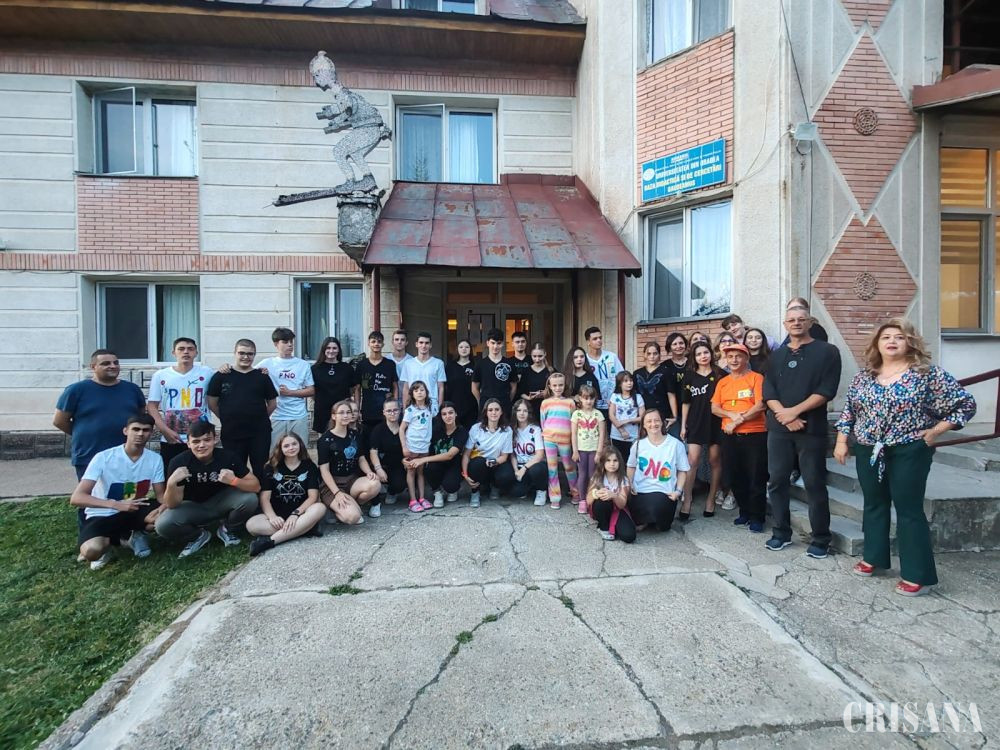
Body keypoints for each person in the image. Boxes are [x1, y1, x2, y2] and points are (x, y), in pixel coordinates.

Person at [834, 318, 975, 596]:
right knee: (874, 503)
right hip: (868, 449)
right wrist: (841, 441)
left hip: (909, 449)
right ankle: (874, 557)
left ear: (910, 342)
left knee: (908, 508)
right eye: (886, 337)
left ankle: (918, 574)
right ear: (877, 343)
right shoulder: (864, 376)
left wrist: (936, 431)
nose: (892, 341)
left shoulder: (927, 374)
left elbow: (965, 404)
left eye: (899, 337)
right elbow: (849, 410)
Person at [764, 307, 842, 558]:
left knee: (814, 484)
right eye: (791, 320)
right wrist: (784, 416)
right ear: (785, 324)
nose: (796, 323)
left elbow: (827, 390)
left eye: (801, 319)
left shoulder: (828, 352)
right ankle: (780, 533)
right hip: (779, 430)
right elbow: (768, 391)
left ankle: (820, 538)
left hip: (811, 430)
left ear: (809, 322)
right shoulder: (776, 356)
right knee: (777, 482)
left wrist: (794, 412)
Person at [70, 413, 165, 570]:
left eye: (146, 430)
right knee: (91, 551)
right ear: (125, 431)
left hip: (135, 508)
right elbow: (77, 498)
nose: (140, 434)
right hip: (103, 513)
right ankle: (110, 545)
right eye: (136, 429)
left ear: (151, 433)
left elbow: (161, 496)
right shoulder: (104, 457)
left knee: (165, 517)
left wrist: (164, 508)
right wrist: (117, 505)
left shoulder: (155, 459)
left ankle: (135, 535)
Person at [156, 421, 260, 558]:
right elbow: (172, 504)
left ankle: (227, 529)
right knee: (163, 524)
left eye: (207, 440)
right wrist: (171, 484)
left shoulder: (228, 457)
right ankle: (198, 536)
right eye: (196, 441)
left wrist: (234, 481)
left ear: (215, 440)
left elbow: (256, 486)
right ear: (188, 443)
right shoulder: (179, 462)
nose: (202, 445)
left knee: (250, 499)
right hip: (192, 506)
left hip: (222, 501)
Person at [54, 349, 146, 482]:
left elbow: (140, 417)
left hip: (125, 454)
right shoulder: (76, 390)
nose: (113, 366)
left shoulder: (132, 389)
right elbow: (59, 421)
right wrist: (84, 433)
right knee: (91, 493)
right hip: (89, 454)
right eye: (106, 363)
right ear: (93, 367)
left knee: (126, 492)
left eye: (116, 363)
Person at [711, 343, 768, 533]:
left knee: (756, 476)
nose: (734, 360)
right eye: (730, 357)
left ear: (746, 358)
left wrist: (737, 420)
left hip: (754, 434)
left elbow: (760, 405)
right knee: (735, 475)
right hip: (729, 436)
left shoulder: (756, 378)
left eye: (738, 356)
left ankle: (757, 517)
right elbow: (714, 408)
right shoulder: (723, 382)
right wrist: (730, 414)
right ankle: (744, 512)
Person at [207, 339, 278, 482]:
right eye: (242, 353)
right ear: (235, 353)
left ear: (254, 355)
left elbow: (272, 404)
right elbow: (212, 403)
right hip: (232, 433)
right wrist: (227, 418)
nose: (246, 357)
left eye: (250, 354)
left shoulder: (262, 377)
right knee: (235, 470)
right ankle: (239, 496)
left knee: (261, 469)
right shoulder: (221, 376)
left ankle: (262, 495)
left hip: (259, 433)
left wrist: (259, 418)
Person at [247, 432, 325, 557]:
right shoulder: (271, 467)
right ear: (280, 449)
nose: (291, 448)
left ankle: (270, 541)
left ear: (300, 445)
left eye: (294, 444)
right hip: (279, 517)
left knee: (320, 508)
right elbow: (265, 498)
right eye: (286, 446)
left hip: (301, 514)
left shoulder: (309, 466)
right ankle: (305, 529)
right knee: (251, 525)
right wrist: (272, 517)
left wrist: (295, 514)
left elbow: (313, 497)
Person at [147, 338, 214, 474]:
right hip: (172, 438)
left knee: (202, 477)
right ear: (173, 353)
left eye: (190, 349)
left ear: (196, 353)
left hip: (201, 438)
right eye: (181, 349)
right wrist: (164, 430)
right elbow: (152, 406)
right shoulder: (161, 375)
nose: (186, 352)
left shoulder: (207, 373)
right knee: (172, 476)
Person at [679, 342, 724, 519]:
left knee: (714, 460)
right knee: (692, 460)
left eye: (706, 352)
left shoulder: (720, 374)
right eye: (698, 354)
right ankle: (687, 500)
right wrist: (683, 425)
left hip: (716, 422)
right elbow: (686, 402)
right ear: (694, 357)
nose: (703, 356)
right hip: (695, 421)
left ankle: (711, 500)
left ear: (711, 354)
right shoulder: (689, 376)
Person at [317, 400, 381, 523]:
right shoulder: (325, 440)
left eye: (348, 412)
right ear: (334, 416)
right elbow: (324, 471)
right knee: (354, 517)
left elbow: (361, 458)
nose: (346, 415)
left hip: (351, 480)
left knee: (375, 484)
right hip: (332, 484)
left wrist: (369, 472)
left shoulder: (355, 435)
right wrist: (337, 493)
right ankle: (336, 508)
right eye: (341, 413)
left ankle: (352, 504)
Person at [626, 410, 689, 533]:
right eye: (649, 421)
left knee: (660, 521)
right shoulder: (638, 445)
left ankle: (653, 520)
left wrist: (678, 491)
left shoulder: (676, 445)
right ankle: (645, 521)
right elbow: (631, 466)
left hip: (664, 492)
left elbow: (682, 470)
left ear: (663, 422)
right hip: (640, 491)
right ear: (644, 425)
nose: (653, 424)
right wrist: (630, 484)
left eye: (656, 420)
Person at [257, 327, 315, 450]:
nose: (290, 345)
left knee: (300, 451)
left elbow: (311, 390)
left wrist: (290, 392)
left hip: (298, 416)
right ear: (276, 344)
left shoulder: (302, 364)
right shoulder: (267, 363)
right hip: (276, 416)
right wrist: (226, 367)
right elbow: (246, 373)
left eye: (291, 342)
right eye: (285, 342)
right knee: (275, 452)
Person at [406, 401, 468, 507]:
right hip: (437, 463)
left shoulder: (462, 432)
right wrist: (408, 458)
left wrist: (422, 460)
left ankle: (452, 490)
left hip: (454, 464)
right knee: (429, 468)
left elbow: (449, 455)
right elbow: (421, 443)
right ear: (441, 416)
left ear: (456, 414)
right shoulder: (435, 430)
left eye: (450, 413)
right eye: (444, 414)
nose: (448, 416)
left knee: (451, 485)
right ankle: (437, 491)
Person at [462, 398, 514, 507]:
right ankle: (475, 492)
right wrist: (465, 475)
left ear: (501, 412)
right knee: (478, 463)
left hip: (496, 462)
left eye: (496, 409)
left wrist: (493, 461)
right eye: (490, 410)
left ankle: (495, 486)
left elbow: (504, 457)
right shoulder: (476, 428)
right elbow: (466, 454)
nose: (494, 412)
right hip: (480, 464)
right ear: (485, 412)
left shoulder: (507, 430)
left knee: (507, 475)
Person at [539, 372, 578, 510]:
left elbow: (574, 422)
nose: (558, 388)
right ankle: (555, 497)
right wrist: (545, 435)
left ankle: (576, 493)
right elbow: (543, 421)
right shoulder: (545, 403)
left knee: (569, 466)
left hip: (565, 440)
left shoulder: (570, 403)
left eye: (560, 385)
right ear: (550, 386)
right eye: (554, 385)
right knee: (552, 468)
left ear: (564, 385)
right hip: (549, 439)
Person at [354, 331, 399, 436]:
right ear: (368, 343)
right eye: (373, 341)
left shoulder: (390, 364)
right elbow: (357, 389)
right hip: (367, 410)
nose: (376, 344)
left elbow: (395, 387)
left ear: (383, 344)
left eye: (379, 341)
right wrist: (357, 409)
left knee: (384, 439)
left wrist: (395, 406)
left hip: (386, 411)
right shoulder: (362, 365)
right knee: (367, 439)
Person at [400, 381, 434, 513]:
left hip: (424, 446)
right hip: (412, 446)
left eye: (422, 390)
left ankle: (422, 498)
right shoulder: (410, 410)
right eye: (416, 390)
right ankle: (412, 500)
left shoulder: (429, 407)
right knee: (411, 471)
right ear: (412, 394)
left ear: (426, 392)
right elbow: (402, 429)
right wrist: (404, 447)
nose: (419, 393)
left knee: (421, 472)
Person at [587, 447, 634, 543]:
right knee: (602, 501)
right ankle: (603, 526)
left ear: (620, 462)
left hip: (618, 509)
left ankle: (613, 525)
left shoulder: (623, 479)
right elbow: (588, 500)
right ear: (603, 462)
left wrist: (614, 495)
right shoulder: (597, 477)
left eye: (615, 460)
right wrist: (595, 493)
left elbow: (622, 504)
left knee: (629, 536)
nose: (612, 464)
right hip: (602, 508)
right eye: (608, 460)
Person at [311, 336, 355, 435]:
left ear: (339, 350)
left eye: (334, 348)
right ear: (323, 349)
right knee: (324, 440)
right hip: (322, 411)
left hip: (342, 411)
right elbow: (312, 391)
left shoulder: (347, 368)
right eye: (328, 348)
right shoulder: (315, 369)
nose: (331, 351)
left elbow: (352, 388)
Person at [571, 384, 606, 509]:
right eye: (586, 398)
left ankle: (591, 498)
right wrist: (575, 451)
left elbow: (602, 434)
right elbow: (573, 434)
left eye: (591, 398)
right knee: (582, 474)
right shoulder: (576, 414)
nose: (589, 401)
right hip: (581, 450)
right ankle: (582, 500)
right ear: (580, 398)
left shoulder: (598, 414)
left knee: (592, 474)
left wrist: (599, 452)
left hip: (594, 450)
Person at [368, 399, 406, 511]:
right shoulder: (378, 429)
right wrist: (378, 469)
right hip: (383, 464)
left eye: (395, 410)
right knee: (373, 476)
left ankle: (392, 491)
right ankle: (376, 500)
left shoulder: (405, 427)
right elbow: (373, 451)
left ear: (400, 411)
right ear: (384, 412)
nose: (392, 413)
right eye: (389, 411)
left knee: (400, 485)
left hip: (399, 465)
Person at [471, 328, 517, 416]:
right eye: (493, 343)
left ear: (502, 344)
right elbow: (474, 388)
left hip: (504, 406)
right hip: (486, 406)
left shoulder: (510, 363)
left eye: (498, 343)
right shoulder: (480, 364)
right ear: (487, 343)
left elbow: (514, 387)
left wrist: (507, 400)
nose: (495, 346)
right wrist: (481, 402)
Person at [510, 398, 548, 505]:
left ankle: (541, 490)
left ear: (529, 413)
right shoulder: (511, 430)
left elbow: (540, 455)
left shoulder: (535, 429)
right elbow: (512, 454)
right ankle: (529, 487)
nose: (522, 413)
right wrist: (516, 470)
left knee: (537, 470)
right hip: (519, 466)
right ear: (515, 412)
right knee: (516, 492)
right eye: (519, 410)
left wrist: (524, 469)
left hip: (533, 465)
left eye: (525, 411)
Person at [400, 332, 447, 415]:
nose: (424, 345)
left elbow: (441, 387)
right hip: (413, 405)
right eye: (421, 342)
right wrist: (404, 408)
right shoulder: (408, 363)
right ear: (416, 344)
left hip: (432, 406)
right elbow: (406, 388)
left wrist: (440, 408)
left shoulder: (438, 363)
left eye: (427, 343)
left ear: (430, 345)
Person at [584, 326, 624, 418]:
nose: (599, 340)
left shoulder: (611, 357)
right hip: (592, 405)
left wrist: (617, 397)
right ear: (588, 342)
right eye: (595, 339)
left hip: (612, 404)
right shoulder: (584, 360)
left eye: (600, 338)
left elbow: (621, 377)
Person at [633, 343, 671, 432]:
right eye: (649, 353)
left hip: (661, 413)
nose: (652, 356)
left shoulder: (666, 371)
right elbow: (633, 394)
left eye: (655, 353)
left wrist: (674, 415)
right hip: (643, 413)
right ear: (644, 355)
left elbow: (671, 394)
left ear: (659, 355)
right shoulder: (637, 373)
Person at [609, 371, 645, 460]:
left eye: (631, 380)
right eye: (625, 381)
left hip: (632, 435)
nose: (629, 383)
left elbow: (643, 417)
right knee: (617, 459)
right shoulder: (615, 396)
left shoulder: (638, 397)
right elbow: (611, 415)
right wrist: (622, 431)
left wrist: (627, 421)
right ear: (619, 384)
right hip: (616, 435)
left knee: (630, 460)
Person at [444, 339, 478, 429]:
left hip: (471, 406)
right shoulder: (450, 366)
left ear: (470, 349)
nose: (464, 349)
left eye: (467, 347)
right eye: (461, 347)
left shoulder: (475, 366)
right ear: (457, 349)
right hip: (453, 404)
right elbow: (445, 386)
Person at [516, 342, 553, 420]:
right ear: (531, 355)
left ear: (545, 354)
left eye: (540, 356)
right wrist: (529, 398)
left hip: (548, 409)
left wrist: (547, 393)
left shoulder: (551, 371)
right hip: (530, 409)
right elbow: (520, 392)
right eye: (534, 356)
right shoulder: (526, 371)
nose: (537, 359)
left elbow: (559, 390)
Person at [661, 332, 688, 430]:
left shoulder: (693, 363)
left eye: (681, 343)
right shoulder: (664, 366)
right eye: (674, 344)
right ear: (669, 347)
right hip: (672, 411)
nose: (678, 346)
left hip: (692, 407)